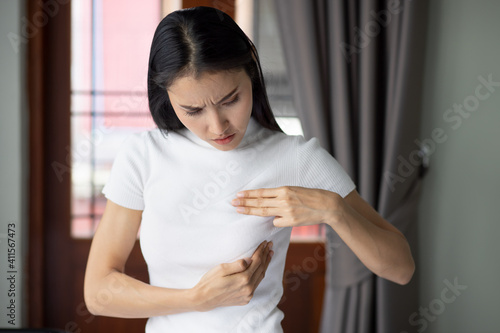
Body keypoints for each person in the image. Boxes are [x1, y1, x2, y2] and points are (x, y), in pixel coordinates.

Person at [84, 6, 414, 333]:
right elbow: (98, 293)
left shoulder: (295, 157)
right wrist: (197, 298)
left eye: (230, 99)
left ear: (251, 75)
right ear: (166, 97)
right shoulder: (144, 155)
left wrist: (335, 210)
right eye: (193, 109)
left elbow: (401, 268)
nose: (217, 126)